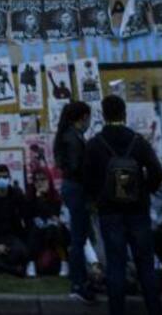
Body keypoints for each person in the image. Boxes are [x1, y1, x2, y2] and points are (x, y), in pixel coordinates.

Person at [84, 94, 162, 315]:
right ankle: (154, 310)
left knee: (116, 265)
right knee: (145, 266)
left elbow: (87, 179)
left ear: (103, 114)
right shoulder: (138, 142)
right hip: (138, 211)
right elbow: (158, 172)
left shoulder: (94, 144)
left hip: (109, 212)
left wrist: (99, 197)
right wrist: (144, 190)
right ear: (124, 113)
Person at [54, 100, 95, 302]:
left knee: (79, 237)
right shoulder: (73, 138)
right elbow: (77, 166)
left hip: (74, 188)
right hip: (77, 189)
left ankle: (80, 280)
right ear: (83, 117)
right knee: (79, 238)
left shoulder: (69, 135)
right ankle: (78, 283)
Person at [26, 168, 68, 276]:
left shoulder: (55, 197)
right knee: (35, 229)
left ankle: (64, 262)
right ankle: (31, 263)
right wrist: (38, 198)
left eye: (43, 179)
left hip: (52, 230)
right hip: (37, 232)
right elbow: (29, 215)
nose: (39, 183)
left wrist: (42, 199)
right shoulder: (30, 197)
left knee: (56, 230)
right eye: (36, 180)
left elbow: (53, 215)